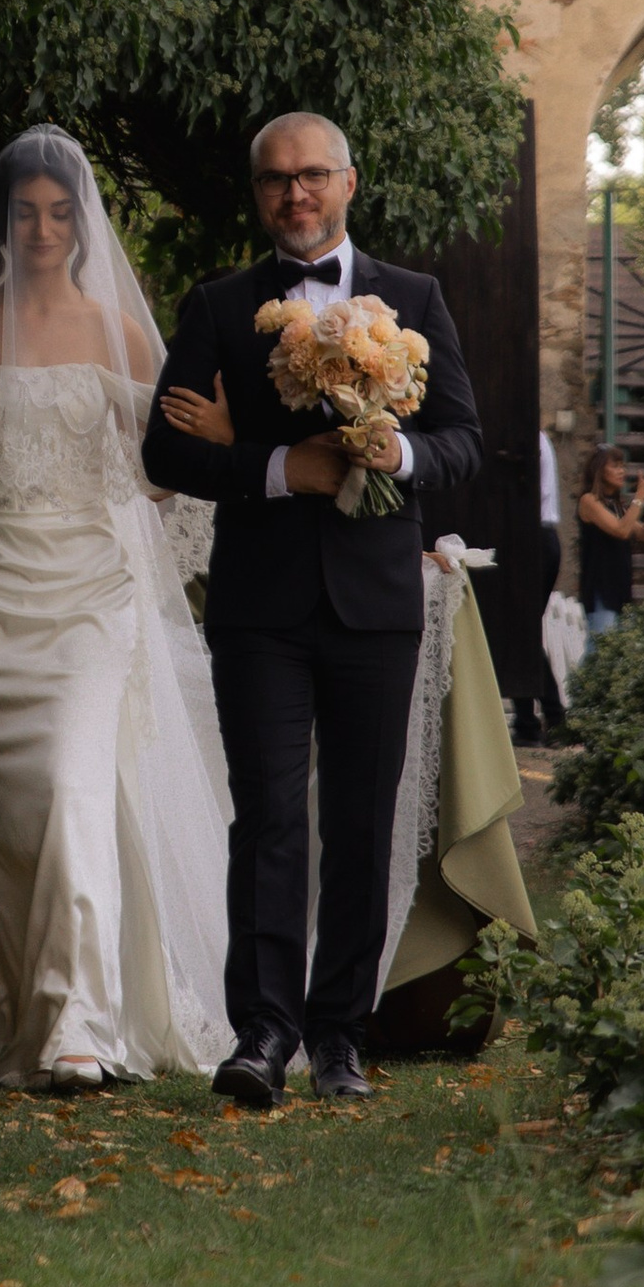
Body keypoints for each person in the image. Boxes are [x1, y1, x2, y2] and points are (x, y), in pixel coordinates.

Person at [0, 131, 232, 1095]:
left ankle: (78, 1022)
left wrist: (222, 438)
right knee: (7, 813)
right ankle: (6, 1002)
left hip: (88, 592)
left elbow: (163, 474)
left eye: (59, 212)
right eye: (25, 211)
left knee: (75, 786)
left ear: (82, 225)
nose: (41, 229)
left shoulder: (119, 331)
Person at [148, 111, 481, 1111]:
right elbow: (164, 453)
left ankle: (340, 1037)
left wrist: (402, 455)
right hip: (260, 604)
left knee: (360, 825)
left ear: (347, 183)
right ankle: (262, 1033)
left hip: (377, 603)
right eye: (274, 180)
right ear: (257, 196)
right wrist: (271, 467)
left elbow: (464, 436)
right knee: (269, 823)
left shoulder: (414, 299)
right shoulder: (217, 306)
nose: (293, 194)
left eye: (311, 177)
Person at [510, 424, 570, 746]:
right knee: (520, 632)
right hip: (536, 537)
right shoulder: (538, 438)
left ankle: (546, 717)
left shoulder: (530, 438)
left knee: (520, 633)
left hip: (533, 537)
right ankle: (530, 719)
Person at [576, 443, 644, 650]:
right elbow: (621, 530)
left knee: (614, 656)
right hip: (601, 589)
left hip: (620, 588)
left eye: (623, 466)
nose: (622, 471)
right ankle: (577, 685)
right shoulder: (589, 501)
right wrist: (639, 497)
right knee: (600, 653)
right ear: (598, 469)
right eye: (615, 466)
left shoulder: (619, 506)